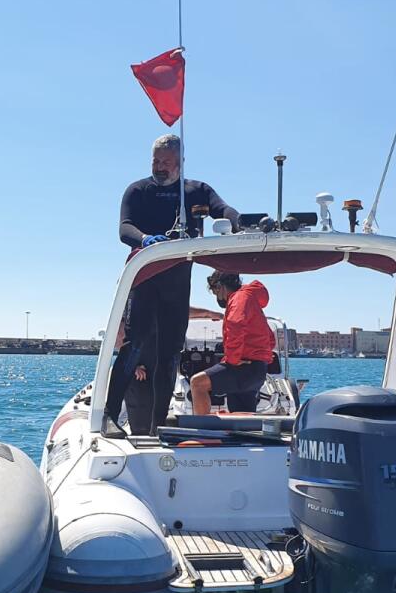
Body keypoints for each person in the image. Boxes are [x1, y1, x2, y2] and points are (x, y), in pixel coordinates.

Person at [104, 133, 240, 435]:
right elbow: (124, 228)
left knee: (169, 355)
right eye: (155, 161)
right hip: (145, 277)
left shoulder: (196, 191)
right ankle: (109, 415)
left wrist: (238, 221)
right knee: (134, 346)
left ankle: (159, 424)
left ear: (180, 163)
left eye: (166, 162)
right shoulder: (137, 190)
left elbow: (223, 209)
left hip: (176, 284)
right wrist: (145, 240)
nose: (159, 166)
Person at [190, 271, 275, 414]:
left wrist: (232, 361)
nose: (217, 297)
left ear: (220, 286)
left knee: (197, 383)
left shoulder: (238, 298)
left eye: (216, 292)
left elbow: (236, 326)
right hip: (257, 369)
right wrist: (260, 357)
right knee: (240, 415)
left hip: (244, 367)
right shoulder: (250, 300)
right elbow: (270, 339)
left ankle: (202, 427)